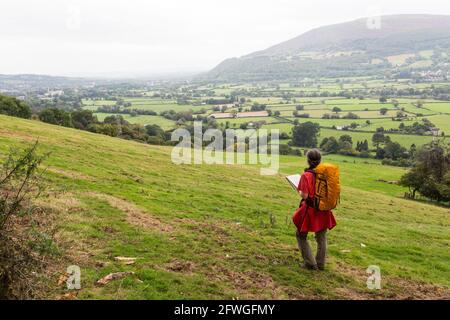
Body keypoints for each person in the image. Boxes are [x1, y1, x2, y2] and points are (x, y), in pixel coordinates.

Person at [293, 149, 336, 270]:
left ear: (308, 160)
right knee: (321, 237)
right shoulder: (326, 174)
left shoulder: (306, 175)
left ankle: (310, 264)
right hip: (324, 209)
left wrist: (300, 190)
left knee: (301, 235)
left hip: (311, 210)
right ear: (320, 160)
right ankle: (321, 264)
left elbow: (305, 196)